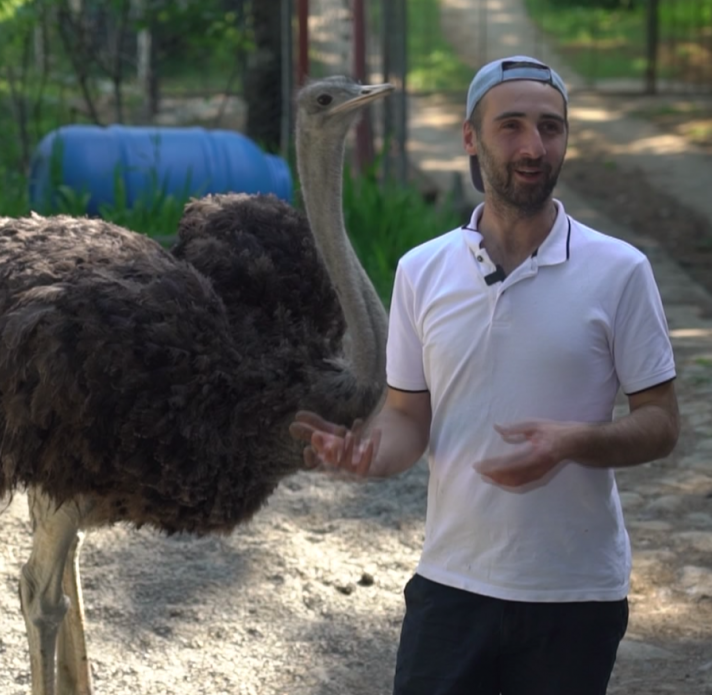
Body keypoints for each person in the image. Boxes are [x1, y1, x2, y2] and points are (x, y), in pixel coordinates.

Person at [290, 55, 680, 695]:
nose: (533, 147)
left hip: (575, 595)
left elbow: (661, 423)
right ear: (471, 137)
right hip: (451, 588)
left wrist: (574, 442)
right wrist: (368, 453)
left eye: (550, 128)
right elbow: (408, 418)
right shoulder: (421, 271)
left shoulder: (620, 270)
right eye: (511, 126)